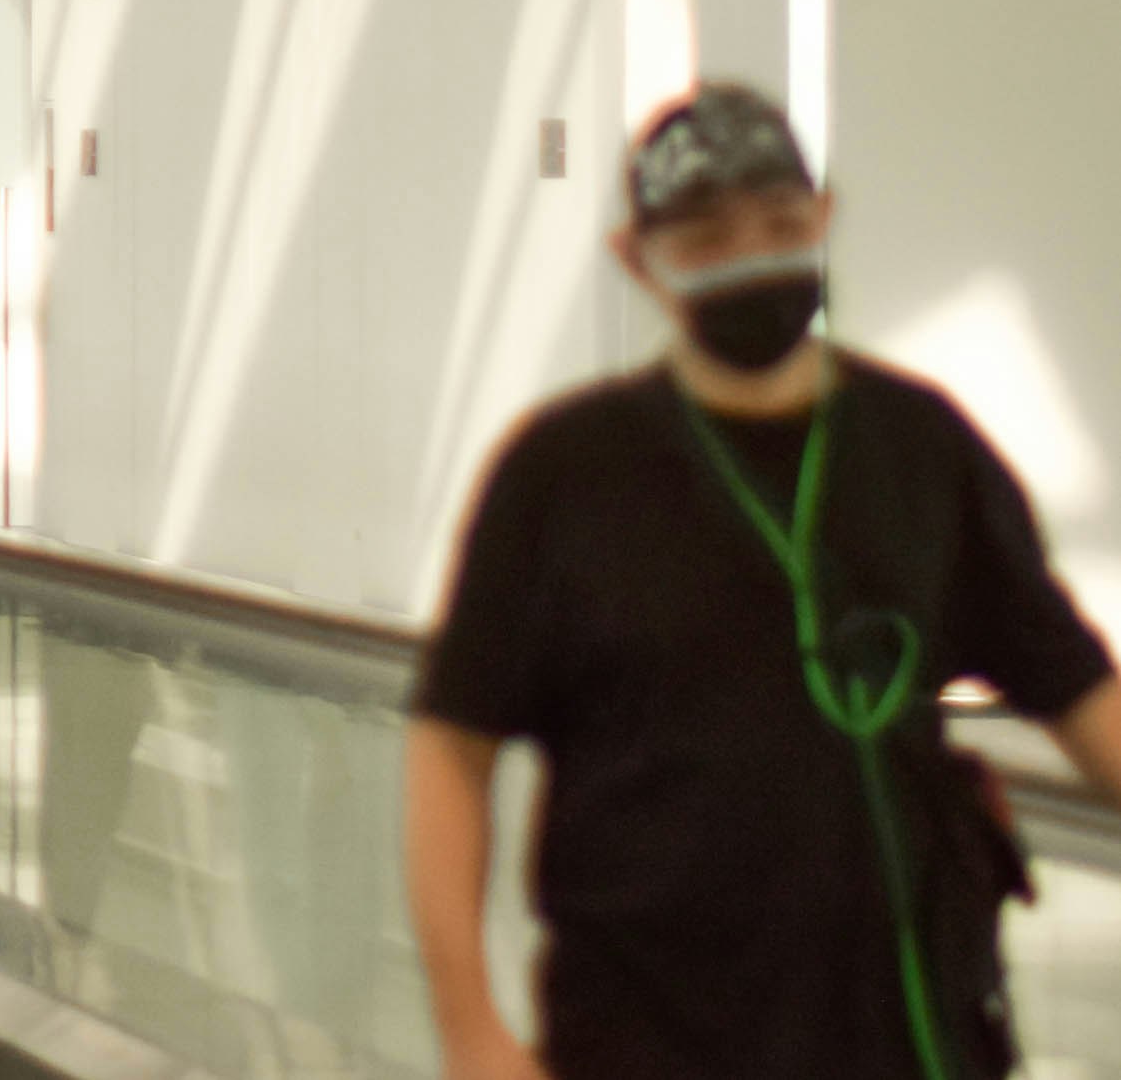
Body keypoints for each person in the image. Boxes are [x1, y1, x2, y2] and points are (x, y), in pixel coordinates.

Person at [411, 83, 1121, 1080]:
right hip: (646, 1037)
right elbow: (453, 744)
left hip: (911, 1029)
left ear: (824, 216)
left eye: (782, 224)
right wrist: (469, 1025)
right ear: (638, 259)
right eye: (704, 240)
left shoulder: (923, 445)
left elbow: (1079, 689)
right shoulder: (563, 475)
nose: (752, 259)